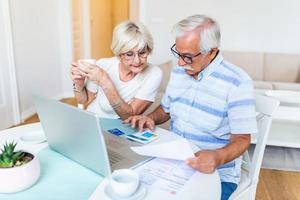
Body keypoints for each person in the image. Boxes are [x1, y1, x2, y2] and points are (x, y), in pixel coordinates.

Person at [125, 15, 257, 200]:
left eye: (187, 57)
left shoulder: (237, 82)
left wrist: (217, 157)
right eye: (178, 53)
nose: (180, 62)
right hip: (175, 163)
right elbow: (166, 110)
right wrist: (150, 118)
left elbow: (243, 138)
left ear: (211, 52)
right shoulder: (180, 70)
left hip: (217, 174)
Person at [70, 21, 162, 119]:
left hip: (118, 128)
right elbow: (85, 101)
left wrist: (104, 81)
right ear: (118, 54)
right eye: (129, 54)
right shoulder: (103, 64)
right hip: (93, 119)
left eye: (142, 53)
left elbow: (130, 115)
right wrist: (78, 84)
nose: (137, 60)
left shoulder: (154, 73)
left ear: (149, 51)